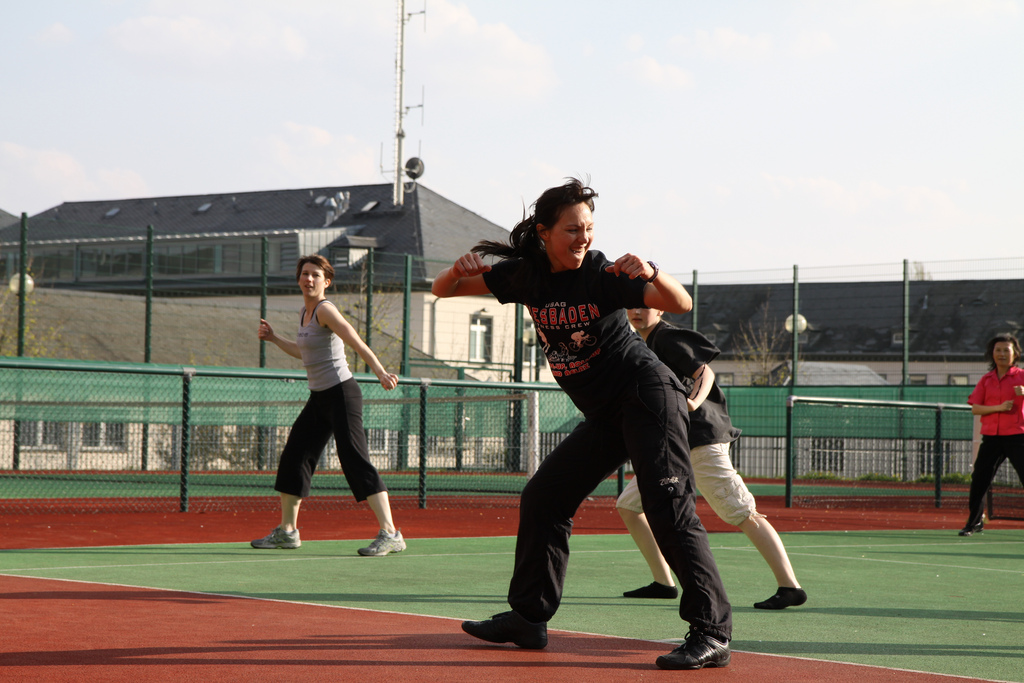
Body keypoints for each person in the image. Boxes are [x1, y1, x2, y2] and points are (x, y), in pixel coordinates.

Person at [432, 178, 732, 671]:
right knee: (544, 498)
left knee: (666, 504)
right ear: (544, 232)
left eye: (589, 228)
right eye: (573, 229)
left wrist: (653, 270)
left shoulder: (601, 272)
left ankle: (711, 631)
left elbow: (680, 304)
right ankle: (529, 618)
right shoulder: (525, 276)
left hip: (647, 396)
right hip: (605, 414)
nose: (584, 238)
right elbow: (444, 290)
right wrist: (456, 268)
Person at [618, 307, 807, 610]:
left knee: (742, 511)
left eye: (644, 305)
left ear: (661, 307)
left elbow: (705, 371)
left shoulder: (667, 337)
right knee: (628, 506)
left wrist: (692, 400)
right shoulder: (639, 343)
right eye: (632, 305)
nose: (637, 312)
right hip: (672, 444)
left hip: (701, 440)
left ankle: (790, 586)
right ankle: (663, 582)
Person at [251, 254, 407, 557]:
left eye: (315, 275)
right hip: (319, 397)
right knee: (295, 456)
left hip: (342, 394)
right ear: (298, 278)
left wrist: (380, 371)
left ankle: (391, 533)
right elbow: (303, 351)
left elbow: (355, 341)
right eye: (305, 274)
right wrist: (273, 338)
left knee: (354, 459)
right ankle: (287, 532)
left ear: (326, 282)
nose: (309, 279)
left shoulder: (325, 309)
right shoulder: (304, 313)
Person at [960, 333, 1024, 536]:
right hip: (992, 437)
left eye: (1006, 350)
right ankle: (974, 522)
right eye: (998, 350)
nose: (1002, 354)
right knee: (980, 478)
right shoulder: (986, 380)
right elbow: (975, 408)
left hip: (1017, 436)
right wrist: (998, 407)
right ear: (992, 353)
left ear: (1015, 354)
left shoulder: (1022, 376)